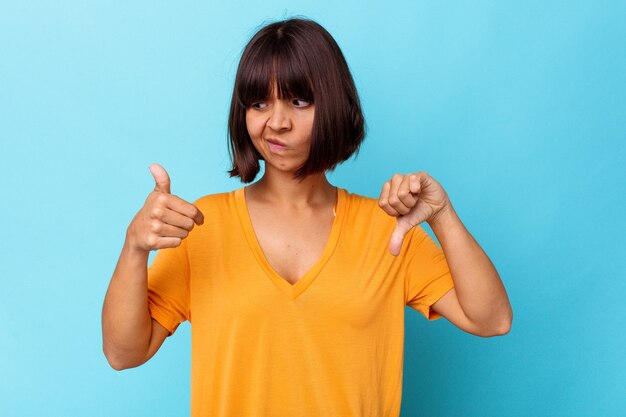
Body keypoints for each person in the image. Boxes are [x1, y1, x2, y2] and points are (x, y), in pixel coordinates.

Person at [102, 17, 512, 417]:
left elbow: (491, 319)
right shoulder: (205, 225)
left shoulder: (386, 228)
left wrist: (441, 215)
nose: (276, 123)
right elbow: (123, 353)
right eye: (259, 102)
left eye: (299, 101)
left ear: (334, 104)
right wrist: (134, 247)